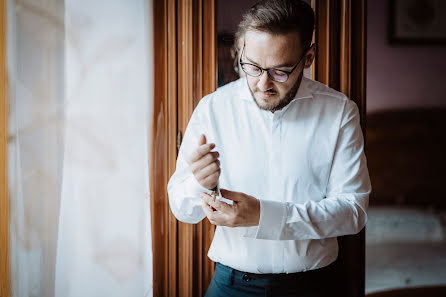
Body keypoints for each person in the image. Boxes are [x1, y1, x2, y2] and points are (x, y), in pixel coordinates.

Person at [167, 0, 371, 296]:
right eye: (251, 66)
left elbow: (353, 211)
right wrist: (201, 182)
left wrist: (263, 216)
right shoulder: (214, 109)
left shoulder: (339, 112)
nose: (263, 84)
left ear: (309, 57)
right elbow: (182, 209)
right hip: (231, 286)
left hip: (314, 286)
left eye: (280, 71)